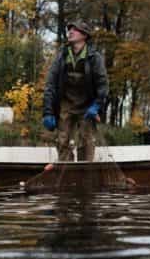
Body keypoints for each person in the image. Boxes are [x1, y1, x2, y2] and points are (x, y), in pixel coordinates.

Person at [42, 20, 109, 162]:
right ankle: (68, 175)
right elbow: (50, 85)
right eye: (69, 30)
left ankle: (85, 175)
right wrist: (48, 112)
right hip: (65, 104)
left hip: (87, 105)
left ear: (84, 35)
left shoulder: (94, 58)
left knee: (87, 142)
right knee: (62, 141)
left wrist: (97, 105)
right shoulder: (61, 57)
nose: (70, 32)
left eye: (75, 30)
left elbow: (103, 85)